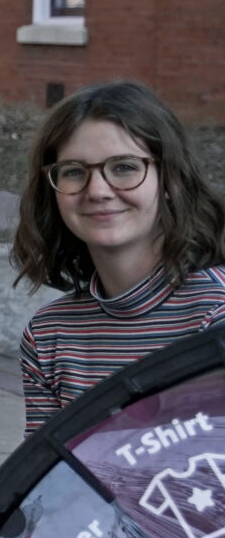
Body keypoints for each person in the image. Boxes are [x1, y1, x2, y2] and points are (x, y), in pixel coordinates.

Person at [15, 81, 225, 434]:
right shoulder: (50, 334)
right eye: (74, 172)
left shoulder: (215, 314)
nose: (97, 191)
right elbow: (48, 484)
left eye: (124, 167)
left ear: (170, 180)